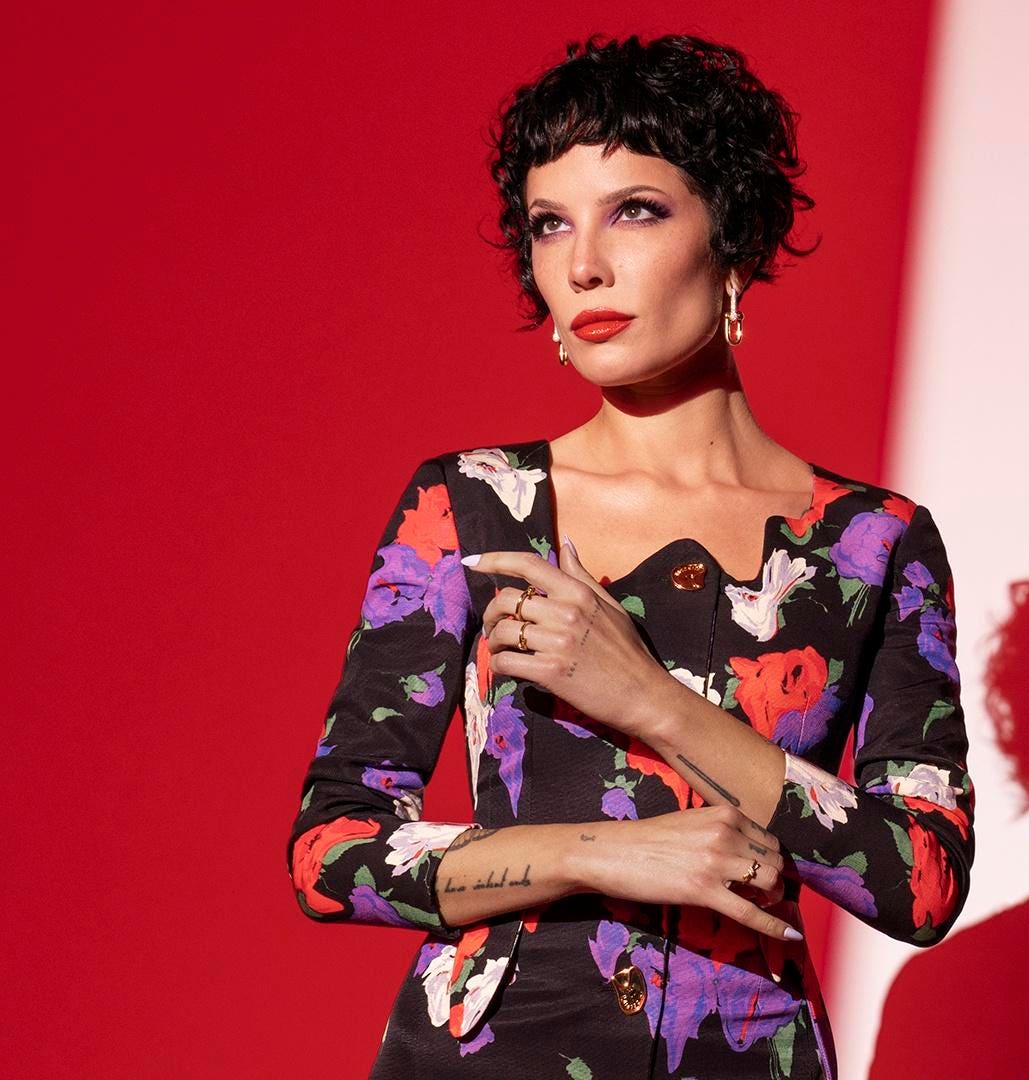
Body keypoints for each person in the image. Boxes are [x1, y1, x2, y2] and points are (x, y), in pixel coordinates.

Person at [284, 33, 975, 1079]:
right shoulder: (473, 506)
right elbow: (331, 851)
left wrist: (655, 705)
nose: (583, 265)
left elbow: (922, 880)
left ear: (733, 235)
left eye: (635, 211)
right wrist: (601, 853)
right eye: (550, 224)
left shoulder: (873, 543)